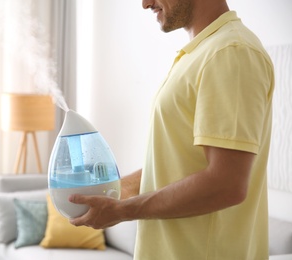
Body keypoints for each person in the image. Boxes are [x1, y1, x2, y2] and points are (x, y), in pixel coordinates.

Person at [69, 0, 275, 259]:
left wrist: (123, 211)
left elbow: (227, 183)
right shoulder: (202, 53)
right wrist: (120, 189)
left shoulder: (230, 52)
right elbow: (180, 164)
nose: (145, 4)